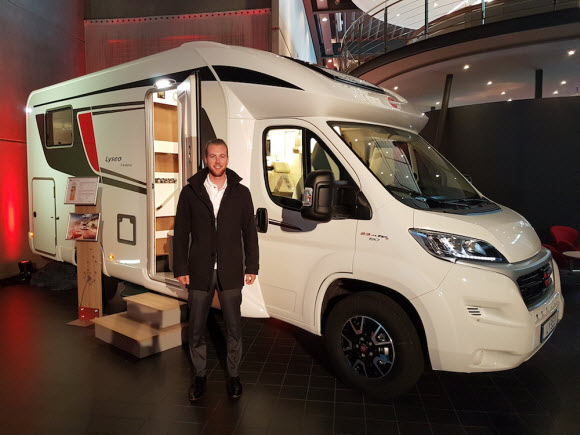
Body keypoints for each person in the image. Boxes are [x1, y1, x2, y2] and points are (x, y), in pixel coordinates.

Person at [173, 138, 259, 401]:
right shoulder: (191, 191)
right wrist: (181, 267)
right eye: (212, 156)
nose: (217, 161)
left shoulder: (241, 193)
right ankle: (200, 375)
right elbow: (180, 233)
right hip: (199, 269)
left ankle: (233, 375)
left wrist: (252, 265)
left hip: (231, 269)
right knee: (197, 326)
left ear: (228, 159)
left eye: (222, 156)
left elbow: (249, 233)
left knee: (233, 326)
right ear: (205, 159)